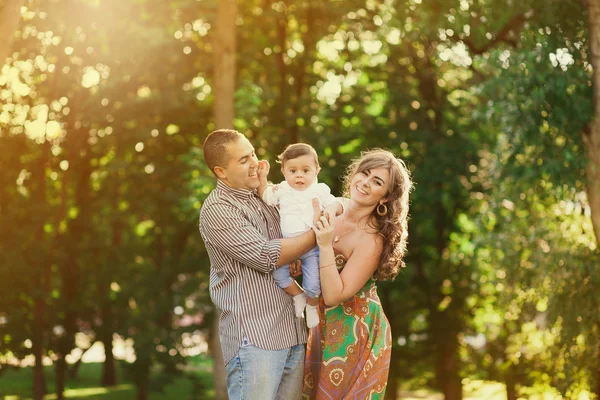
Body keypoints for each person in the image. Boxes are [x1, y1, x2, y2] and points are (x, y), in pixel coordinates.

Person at [199, 129, 321, 399]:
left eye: (253, 153)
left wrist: (297, 255)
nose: (254, 162)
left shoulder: (268, 198)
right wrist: (318, 233)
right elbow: (267, 255)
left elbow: (290, 246)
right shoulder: (218, 209)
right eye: (243, 160)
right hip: (255, 340)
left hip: (292, 332)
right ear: (221, 172)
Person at [301, 149, 412, 399]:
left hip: (355, 330)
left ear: (385, 198)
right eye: (365, 173)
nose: (365, 183)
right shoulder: (334, 210)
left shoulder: (372, 239)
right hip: (320, 322)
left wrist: (326, 245)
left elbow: (333, 295)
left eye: (377, 182)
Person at [258, 143, 338, 328]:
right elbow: (266, 197)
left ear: (316, 171)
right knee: (278, 276)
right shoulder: (283, 189)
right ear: (284, 171)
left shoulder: (320, 190)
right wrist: (263, 178)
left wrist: (330, 211)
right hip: (288, 247)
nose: (299, 175)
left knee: (314, 284)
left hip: (311, 248)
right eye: (293, 171)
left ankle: (311, 306)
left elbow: (334, 203)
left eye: (305, 170)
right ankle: (298, 295)